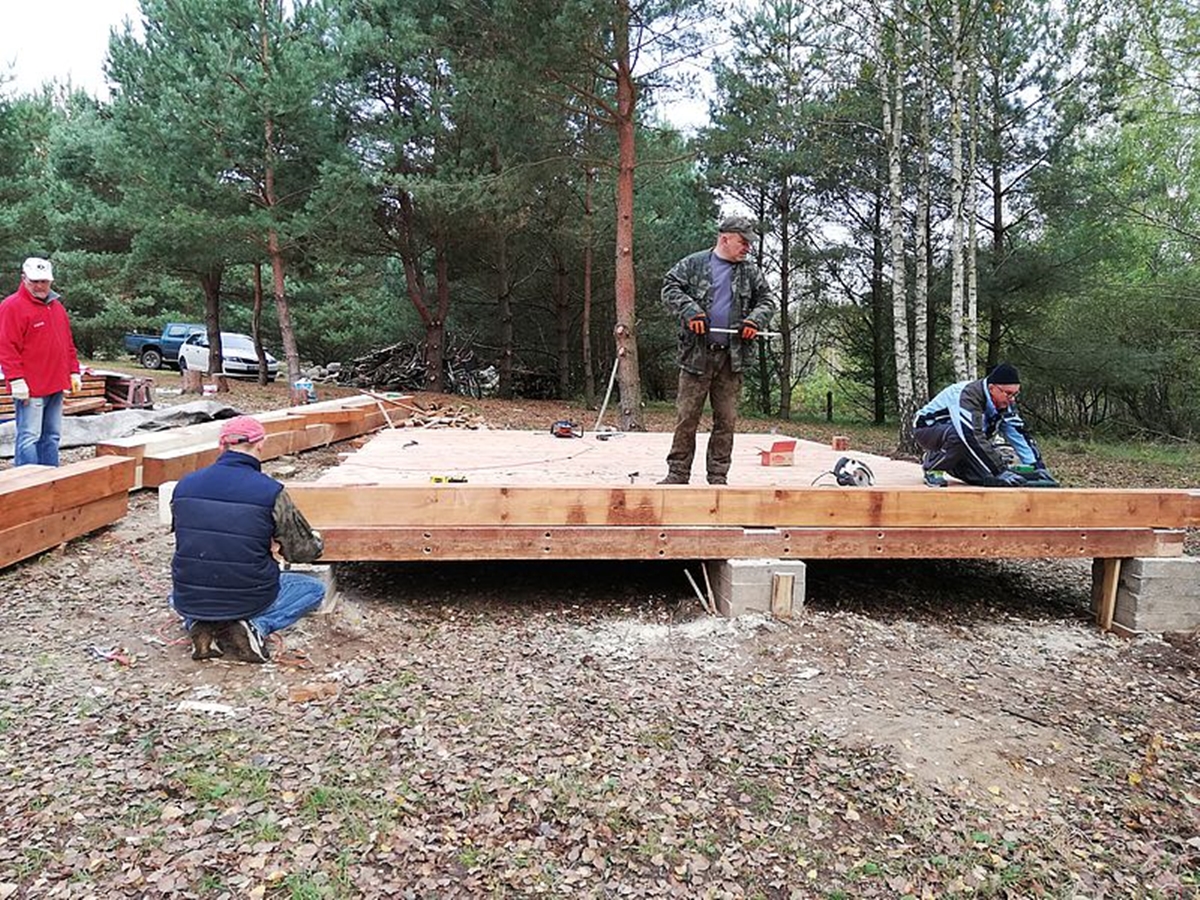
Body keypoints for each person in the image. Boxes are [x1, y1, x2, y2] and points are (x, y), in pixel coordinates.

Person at [170, 416, 326, 663]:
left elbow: (193, 535)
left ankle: (199, 624)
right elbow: (303, 552)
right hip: (249, 595)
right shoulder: (271, 491)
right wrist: (310, 540)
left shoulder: (184, 486)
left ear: (221, 446)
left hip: (191, 595)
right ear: (260, 444)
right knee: (313, 589)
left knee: (177, 593)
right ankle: (255, 625)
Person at [659, 215, 777, 485]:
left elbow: (767, 300)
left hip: (731, 358)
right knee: (687, 418)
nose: (747, 247)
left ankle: (718, 476)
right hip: (696, 355)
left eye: (749, 242)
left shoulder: (750, 271)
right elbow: (669, 287)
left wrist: (754, 321)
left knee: (726, 420)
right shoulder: (694, 263)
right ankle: (677, 474)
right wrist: (691, 311)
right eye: (743, 241)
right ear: (725, 238)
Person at [913, 362, 1054, 487]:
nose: (1012, 399)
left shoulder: (1005, 402)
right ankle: (933, 465)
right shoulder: (967, 395)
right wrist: (1000, 470)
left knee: (987, 478)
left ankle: (953, 463)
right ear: (992, 388)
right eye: (1008, 394)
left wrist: (1036, 466)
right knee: (959, 436)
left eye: (1015, 394)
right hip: (928, 430)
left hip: (964, 438)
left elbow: (1018, 433)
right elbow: (970, 435)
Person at [0, 257, 82, 467]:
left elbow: (67, 344)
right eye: (34, 281)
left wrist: (73, 371)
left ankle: (50, 479)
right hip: (31, 388)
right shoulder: (12, 307)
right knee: (29, 437)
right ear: (23, 278)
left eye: (44, 281)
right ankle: (26, 484)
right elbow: (6, 347)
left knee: (52, 436)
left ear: (51, 281)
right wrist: (16, 379)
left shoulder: (56, 307)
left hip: (55, 384)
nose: (39, 286)